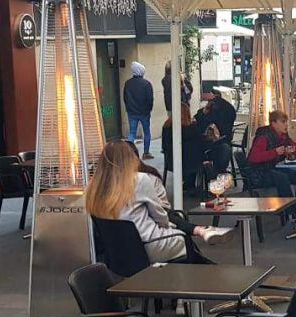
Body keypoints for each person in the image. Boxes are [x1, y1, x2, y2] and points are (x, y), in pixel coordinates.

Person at [86, 140, 234, 263]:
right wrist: (169, 225)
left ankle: (204, 263)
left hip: (117, 253)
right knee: (183, 239)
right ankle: (197, 283)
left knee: (182, 239)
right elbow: (161, 216)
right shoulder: (139, 180)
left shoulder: (94, 187)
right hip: (146, 247)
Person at [247, 110, 296, 226]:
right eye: (283, 122)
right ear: (273, 123)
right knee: (282, 178)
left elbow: (293, 145)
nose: (286, 125)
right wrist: (274, 152)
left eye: (286, 122)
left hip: (273, 168)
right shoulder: (263, 137)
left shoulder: (283, 136)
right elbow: (253, 158)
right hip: (259, 173)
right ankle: (293, 213)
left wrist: (292, 149)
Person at [194, 86, 237, 177]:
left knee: (223, 149)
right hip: (214, 143)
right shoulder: (223, 109)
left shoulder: (220, 110)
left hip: (217, 143)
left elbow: (200, 123)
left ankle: (213, 173)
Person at [162, 103, 205, 190]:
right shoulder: (193, 129)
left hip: (171, 161)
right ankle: (191, 185)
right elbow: (201, 144)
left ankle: (188, 184)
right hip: (191, 163)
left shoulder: (167, 127)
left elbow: (164, 146)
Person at [123, 61, 155, 159]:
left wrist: (129, 109)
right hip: (144, 112)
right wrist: (148, 110)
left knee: (132, 133)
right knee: (147, 132)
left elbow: (125, 98)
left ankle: (129, 153)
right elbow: (150, 99)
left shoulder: (127, 83)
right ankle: (146, 153)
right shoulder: (146, 84)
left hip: (132, 112)